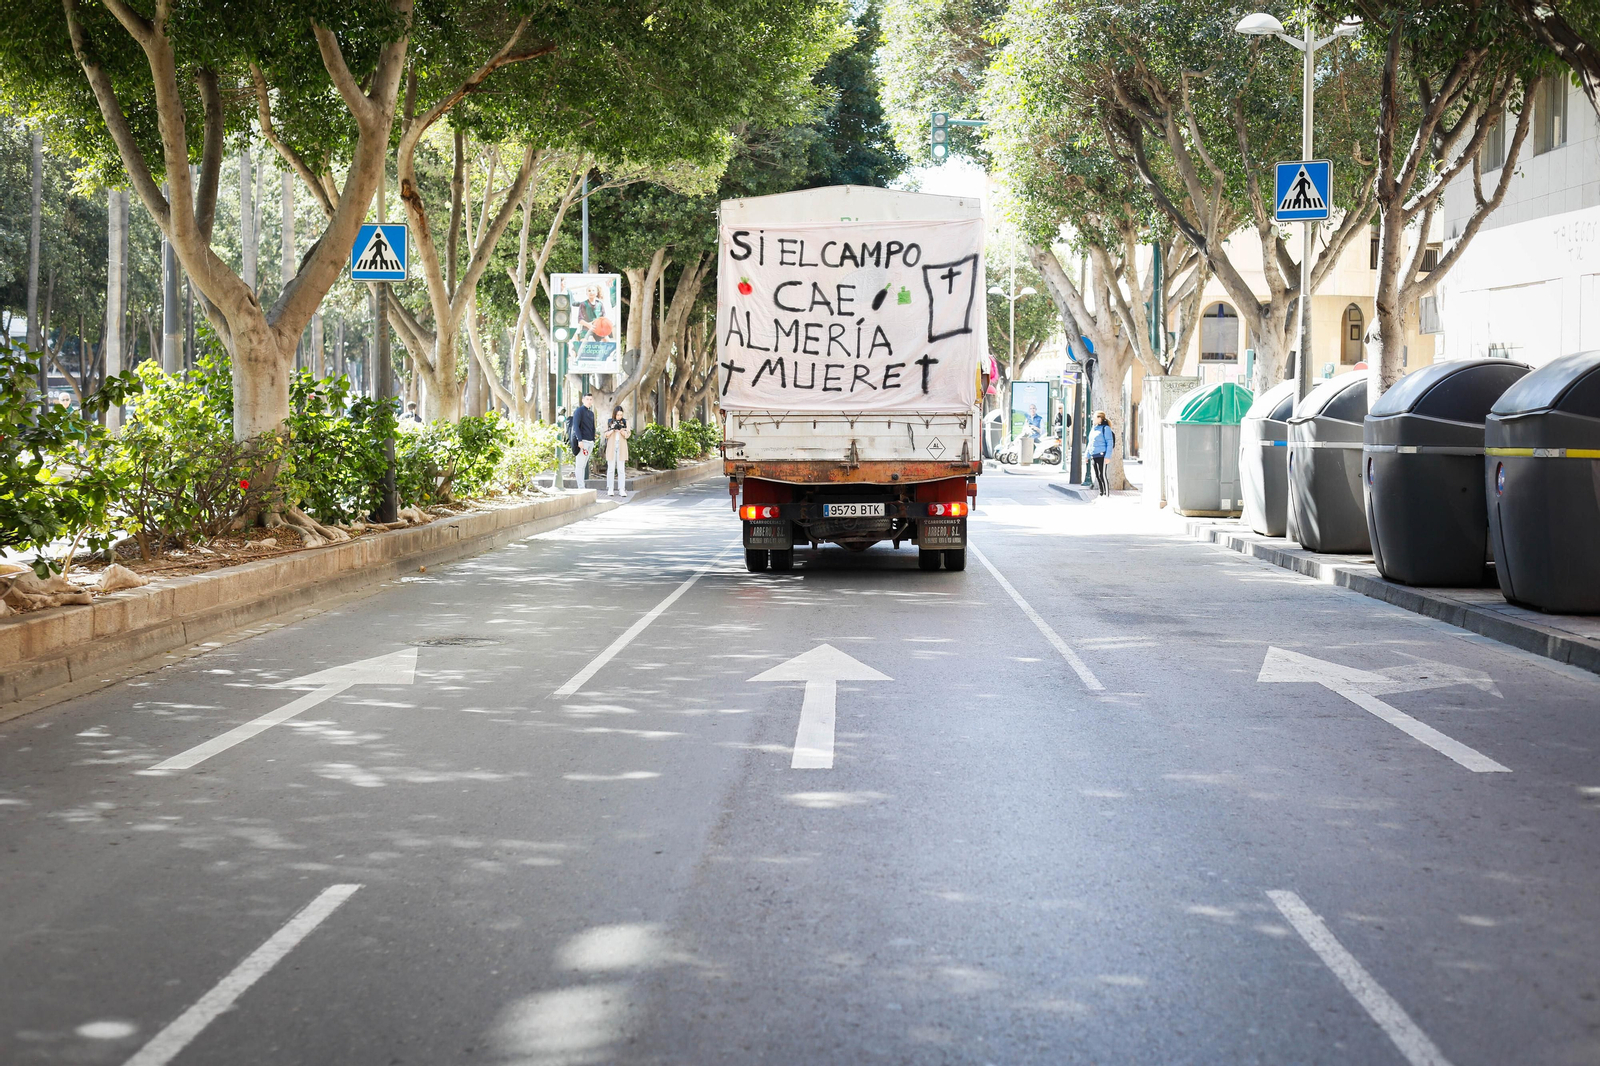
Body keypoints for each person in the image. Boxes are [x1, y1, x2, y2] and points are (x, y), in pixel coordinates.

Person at [569, 393, 596, 488]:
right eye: (587, 399)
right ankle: (581, 487)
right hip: (583, 442)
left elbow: (593, 427)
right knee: (579, 466)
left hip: (590, 442)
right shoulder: (579, 411)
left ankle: (582, 486)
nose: (589, 401)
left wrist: (593, 440)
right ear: (583, 400)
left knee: (584, 465)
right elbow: (575, 426)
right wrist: (579, 440)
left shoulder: (591, 413)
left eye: (591, 399)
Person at [604, 405, 630, 497]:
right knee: (611, 468)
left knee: (621, 469)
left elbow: (628, 434)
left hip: (621, 447)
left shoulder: (625, 422)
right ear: (614, 414)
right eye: (618, 415)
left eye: (621, 415)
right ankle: (610, 488)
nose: (619, 416)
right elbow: (605, 434)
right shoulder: (609, 421)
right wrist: (613, 429)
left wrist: (622, 431)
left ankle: (621, 489)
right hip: (612, 446)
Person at [1087, 410, 1115, 497]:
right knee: (1097, 475)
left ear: (1100, 418)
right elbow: (1090, 443)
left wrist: (1108, 456)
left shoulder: (1106, 429)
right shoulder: (1093, 429)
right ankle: (1101, 492)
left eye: (1094, 417)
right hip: (1094, 455)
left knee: (1102, 474)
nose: (1093, 419)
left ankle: (1106, 494)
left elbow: (1109, 442)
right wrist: (1087, 455)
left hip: (1102, 455)